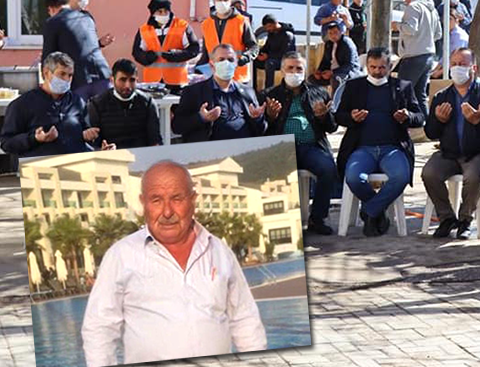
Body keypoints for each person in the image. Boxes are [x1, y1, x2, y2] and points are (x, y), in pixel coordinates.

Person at [81, 161, 267, 367]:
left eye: (176, 199)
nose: (167, 211)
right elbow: (99, 329)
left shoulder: (220, 252)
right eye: (156, 200)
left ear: (193, 200)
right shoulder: (121, 256)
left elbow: (244, 319)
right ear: (144, 203)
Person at [335, 47, 425, 236]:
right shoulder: (354, 86)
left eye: (382, 67)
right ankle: (378, 212)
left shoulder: (402, 86)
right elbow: (339, 117)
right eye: (372, 67)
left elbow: (420, 117)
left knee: (400, 176)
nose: (377, 71)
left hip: (393, 148)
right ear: (367, 66)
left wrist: (407, 116)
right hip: (362, 148)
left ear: (390, 66)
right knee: (353, 177)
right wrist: (352, 117)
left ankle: (369, 212)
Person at [422, 48, 480, 240]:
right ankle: (446, 218)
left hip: (478, 153)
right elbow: (430, 133)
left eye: (462, 64)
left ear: (473, 68)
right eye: (454, 64)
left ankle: (465, 220)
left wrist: (479, 122)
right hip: (449, 153)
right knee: (429, 173)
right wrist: (439, 120)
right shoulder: (442, 97)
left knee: (475, 175)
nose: (457, 68)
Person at [260, 52, 338, 235]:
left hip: (312, 147)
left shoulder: (318, 93)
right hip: (281, 148)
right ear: (282, 70)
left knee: (328, 168)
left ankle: (317, 218)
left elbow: (332, 127)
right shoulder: (269, 95)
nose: (294, 72)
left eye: (299, 68)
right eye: (290, 68)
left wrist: (323, 116)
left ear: (305, 71)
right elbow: (261, 129)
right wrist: (270, 117)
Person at [0, 52, 93, 157]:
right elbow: (7, 143)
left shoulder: (77, 102)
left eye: (70, 75)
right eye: (62, 74)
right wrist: (34, 138)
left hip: (75, 164)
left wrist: (90, 136)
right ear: (46, 73)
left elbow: (87, 131)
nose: (66, 79)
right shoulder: (23, 104)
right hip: (39, 167)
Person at [173, 44, 267, 142]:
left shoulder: (248, 92)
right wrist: (201, 117)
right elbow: (177, 126)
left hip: (244, 150)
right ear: (212, 65)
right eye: (221, 60)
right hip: (210, 152)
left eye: (230, 60)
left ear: (236, 64)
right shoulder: (193, 92)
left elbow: (261, 130)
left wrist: (257, 118)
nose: (226, 63)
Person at [41, 0, 112, 100]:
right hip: (91, 78)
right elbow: (50, 56)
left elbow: (49, 56)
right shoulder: (81, 19)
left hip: (88, 78)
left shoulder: (85, 17)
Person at [87, 59, 162, 150]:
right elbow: (93, 143)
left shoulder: (148, 103)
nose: (127, 85)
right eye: (122, 80)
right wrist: (102, 150)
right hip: (110, 158)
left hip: (141, 157)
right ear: (112, 80)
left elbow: (155, 140)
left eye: (132, 80)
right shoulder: (97, 104)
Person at [132, 0, 200, 92]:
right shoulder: (144, 29)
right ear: (153, 13)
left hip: (177, 82)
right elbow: (137, 52)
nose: (163, 14)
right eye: (160, 11)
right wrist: (147, 57)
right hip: (152, 83)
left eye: (166, 11)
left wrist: (176, 55)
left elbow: (194, 49)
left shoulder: (182, 26)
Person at [392, 0, 440, 115]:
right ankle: (425, 128)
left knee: (401, 92)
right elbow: (438, 34)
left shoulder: (413, 7)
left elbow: (410, 29)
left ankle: (399, 126)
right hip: (428, 55)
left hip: (413, 57)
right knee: (420, 94)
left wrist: (397, 25)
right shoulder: (432, 10)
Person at [197, 0, 259, 83]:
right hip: (215, 76)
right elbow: (206, 52)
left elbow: (253, 46)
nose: (222, 2)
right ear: (214, 0)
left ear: (230, 1)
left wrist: (245, 58)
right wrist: (198, 68)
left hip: (237, 76)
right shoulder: (206, 24)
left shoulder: (241, 21)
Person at [313, 22, 362, 91]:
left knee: (336, 79)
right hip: (332, 71)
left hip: (349, 72)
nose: (333, 35)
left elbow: (350, 64)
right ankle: (320, 99)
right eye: (330, 33)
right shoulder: (329, 44)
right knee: (312, 79)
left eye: (335, 32)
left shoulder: (347, 43)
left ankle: (335, 101)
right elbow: (325, 60)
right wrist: (320, 71)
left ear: (341, 32)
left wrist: (333, 72)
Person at [255, 15, 296, 90]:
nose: (268, 29)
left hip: (284, 61)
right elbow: (267, 47)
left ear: (275, 23)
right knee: (254, 62)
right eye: (266, 27)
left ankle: (268, 89)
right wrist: (259, 53)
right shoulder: (272, 34)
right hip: (272, 58)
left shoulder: (287, 35)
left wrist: (268, 56)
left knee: (270, 64)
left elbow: (286, 54)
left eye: (269, 26)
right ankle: (255, 88)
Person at [431, 9, 469, 79]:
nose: (447, 22)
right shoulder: (449, 34)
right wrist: (435, 69)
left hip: (458, 69)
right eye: (445, 19)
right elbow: (445, 56)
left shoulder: (459, 36)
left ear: (456, 20)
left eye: (450, 19)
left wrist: (439, 72)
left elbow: (455, 58)